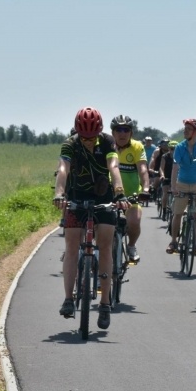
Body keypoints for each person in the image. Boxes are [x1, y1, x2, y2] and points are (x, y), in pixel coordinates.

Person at [53, 107, 128, 330]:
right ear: (77, 132)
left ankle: (105, 303)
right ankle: (68, 299)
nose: (87, 141)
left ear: (99, 132)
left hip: (103, 198)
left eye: (91, 137)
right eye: (84, 137)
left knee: (105, 245)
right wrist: (59, 194)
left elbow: (113, 166)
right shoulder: (69, 144)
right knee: (72, 244)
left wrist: (120, 191)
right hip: (76, 197)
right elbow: (63, 169)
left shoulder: (107, 142)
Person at [110, 115, 150, 262]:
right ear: (113, 132)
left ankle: (131, 246)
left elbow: (143, 170)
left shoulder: (137, 147)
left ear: (131, 133)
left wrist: (145, 188)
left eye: (126, 130)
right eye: (118, 130)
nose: (122, 133)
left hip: (132, 194)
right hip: (110, 193)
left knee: (134, 222)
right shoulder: (107, 146)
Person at [166, 118, 196, 255]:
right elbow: (175, 167)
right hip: (181, 184)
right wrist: (173, 187)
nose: (185, 131)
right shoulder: (179, 147)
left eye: (188, 129)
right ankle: (173, 242)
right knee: (177, 214)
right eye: (185, 129)